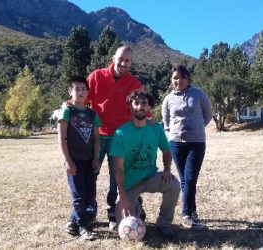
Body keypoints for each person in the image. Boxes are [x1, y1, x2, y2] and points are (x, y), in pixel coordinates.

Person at [85, 46, 146, 229]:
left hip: (119, 138)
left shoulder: (134, 83)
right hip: (96, 135)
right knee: (90, 175)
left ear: (131, 63)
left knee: (116, 178)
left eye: (127, 61)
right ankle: (88, 211)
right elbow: (82, 99)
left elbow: (141, 107)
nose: (123, 63)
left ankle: (113, 213)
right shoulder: (96, 76)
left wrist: (149, 122)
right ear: (113, 58)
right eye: (120, 59)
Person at [110, 91, 180, 239]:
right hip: (129, 185)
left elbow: (167, 152)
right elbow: (118, 168)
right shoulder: (120, 133)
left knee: (173, 185)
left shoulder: (156, 128)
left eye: (144, 103)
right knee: (125, 226)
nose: (140, 106)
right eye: (136, 103)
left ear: (149, 107)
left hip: (150, 177)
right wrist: (122, 196)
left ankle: (164, 224)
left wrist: (167, 170)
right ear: (130, 106)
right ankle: (136, 210)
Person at [161, 65, 213, 229]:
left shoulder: (198, 94)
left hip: (196, 142)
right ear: (171, 80)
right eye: (175, 78)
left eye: (182, 77)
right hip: (176, 143)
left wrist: (197, 127)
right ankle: (192, 210)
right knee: (185, 179)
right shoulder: (168, 99)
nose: (179, 81)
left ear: (188, 78)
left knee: (190, 178)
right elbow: (166, 120)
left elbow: (208, 114)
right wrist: (175, 131)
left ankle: (186, 215)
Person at [57, 75, 101, 240]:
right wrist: (68, 160)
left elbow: (96, 139)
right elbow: (61, 139)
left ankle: (73, 222)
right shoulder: (67, 111)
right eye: (77, 89)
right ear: (70, 91)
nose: (81, 92)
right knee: (79, 195)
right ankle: (84, 227)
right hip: (74, 160)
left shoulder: (92, 114)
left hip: (89, 161)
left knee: (90, 195)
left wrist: (96, 157)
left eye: (84, 89)